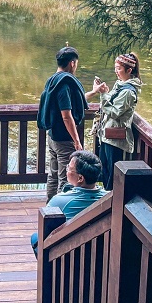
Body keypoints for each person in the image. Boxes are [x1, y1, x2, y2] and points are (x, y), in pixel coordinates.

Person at [38, 46, 107, 200]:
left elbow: (77, 99)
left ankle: (50, 207)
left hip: (52, 136)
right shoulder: (64, 84)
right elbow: (67, 116)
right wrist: (76, 141)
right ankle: (60, 214)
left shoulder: (53, 81)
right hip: (64, 139)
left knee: (53, 175)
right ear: (72, 63)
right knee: (65, 178)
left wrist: (94, 92)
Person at [31, 150, 106, 255]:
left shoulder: (60, 201)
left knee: (35, 237)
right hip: (101, 251)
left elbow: (44, 228)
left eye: (69, 168)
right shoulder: (108, 198)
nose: (67, 170)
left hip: (69, 254)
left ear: (80, 178)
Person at [94, 53, 143, 190]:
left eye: (119, 69)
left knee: (115, 179)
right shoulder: (120, 85)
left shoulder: (128, 91)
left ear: (129, 70)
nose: (116, 71)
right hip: (107, 136)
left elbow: (115, 112)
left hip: (117, 141)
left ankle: (112, 208)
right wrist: (105, 92)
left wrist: (103, 94)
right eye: (115, 68)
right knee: (106, 174)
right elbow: (111, 103)